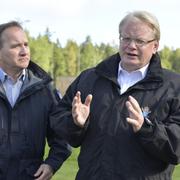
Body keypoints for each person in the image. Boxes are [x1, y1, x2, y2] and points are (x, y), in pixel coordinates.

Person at [53, 11, 180, 180]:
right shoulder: (90, 78)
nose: (131, 46)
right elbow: (59, 120)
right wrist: (76, 124)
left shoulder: (174, 86)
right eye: (126, 38)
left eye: (139, 41)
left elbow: (176, 148)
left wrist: (146, 128)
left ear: (155, 46)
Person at [0, 21, 71, 180]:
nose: (24, 51)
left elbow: (62, 135)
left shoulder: (45, 89)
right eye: (15, 46)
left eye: (26, 44)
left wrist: (52, 163)